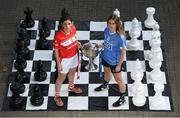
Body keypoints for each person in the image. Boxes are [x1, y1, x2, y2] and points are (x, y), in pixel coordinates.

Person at [94, 15, 126, 107]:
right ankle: (105, 84)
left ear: (117, 24)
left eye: (113, 23)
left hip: (114, 62)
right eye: (109, 23)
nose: (111, 25)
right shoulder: (106, 30)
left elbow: (123, 52)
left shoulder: (120, 37)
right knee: (106, 72)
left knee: (118, 79)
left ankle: (122, 97)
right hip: (105, 57)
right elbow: (107, 42)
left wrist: (119, 65)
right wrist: (102, 45)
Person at [53, 8, 82, 107]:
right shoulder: (58, 36)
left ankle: (71, 87)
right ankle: (57, 96)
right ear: (61, 24)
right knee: (61, 78)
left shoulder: (73, 29)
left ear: (72, 23)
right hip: (64, 59)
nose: (67, 26)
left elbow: (74, 38)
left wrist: (77, 43)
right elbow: (56, 50)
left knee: (72, 72)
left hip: (74, 56)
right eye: (65, 24)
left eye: (69, 24)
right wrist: (58, 63)